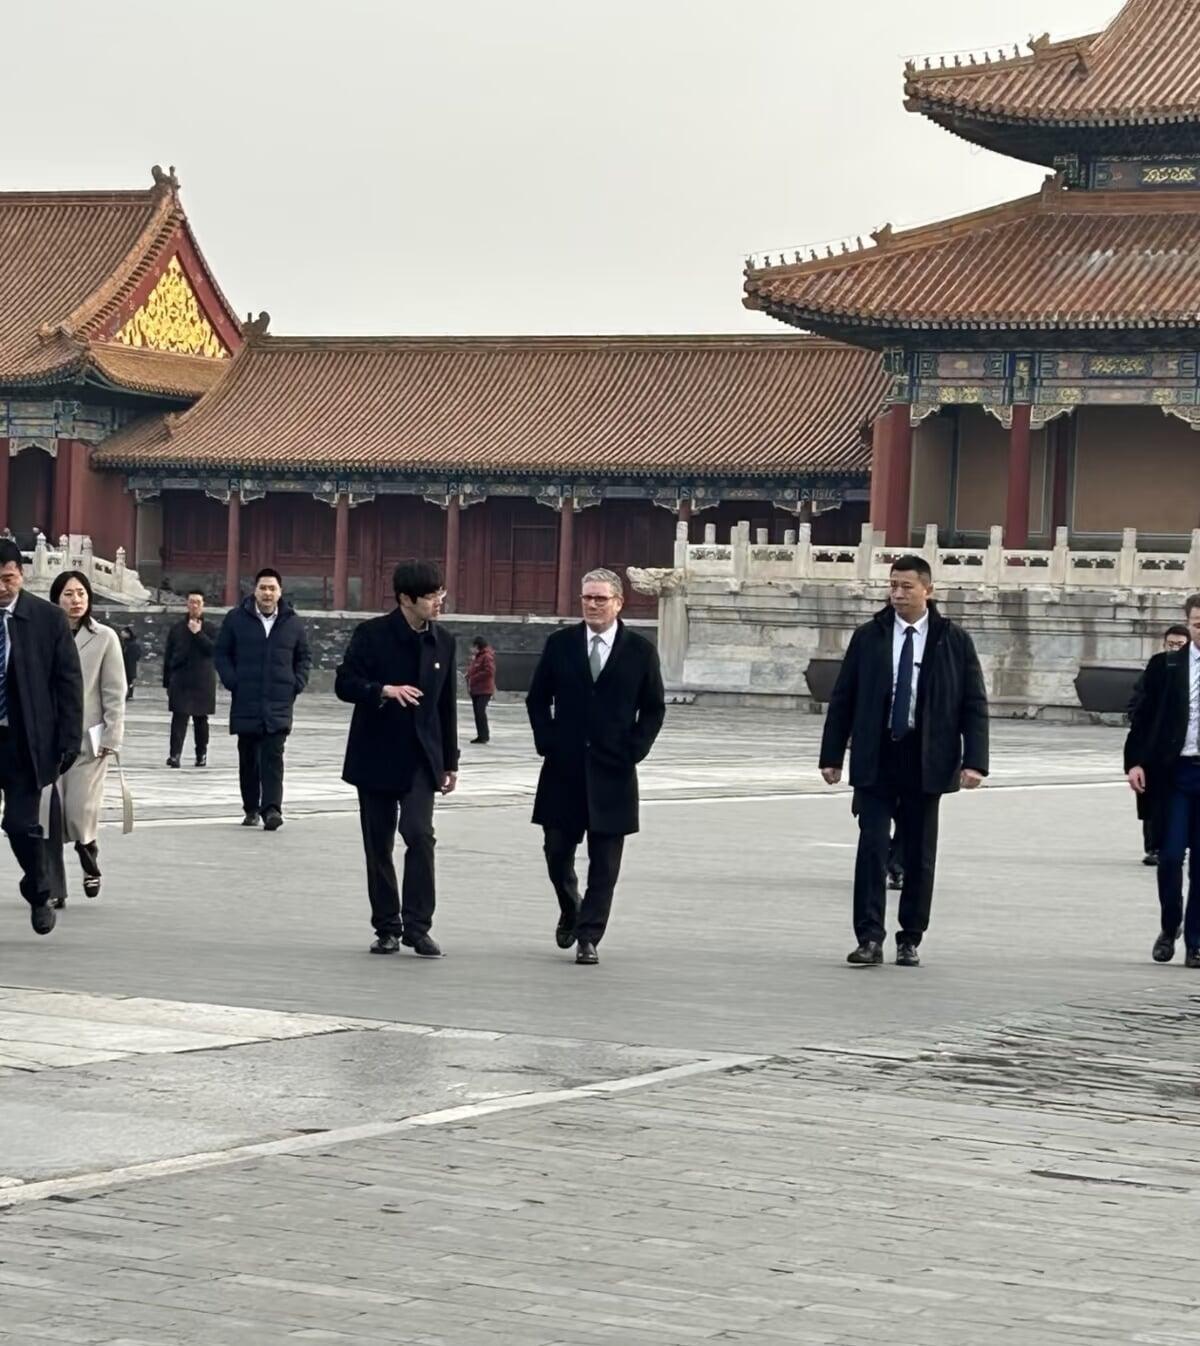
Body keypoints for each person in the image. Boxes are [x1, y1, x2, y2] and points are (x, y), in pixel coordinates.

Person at [819, 554, 989, 967]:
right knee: (872, 847)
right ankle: (869, 937)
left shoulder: (953, 640)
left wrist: (975, 762)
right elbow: (843, 698)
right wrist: (832, 755)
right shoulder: (869, 636)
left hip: (927, 756)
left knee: (918, 854)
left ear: (928, 590)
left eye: (906, 586)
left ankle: (910, 936)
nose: (897, 594)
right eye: (892, 585)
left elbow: (973, 703)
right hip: (877, 754)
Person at [526, 568, 665, 965]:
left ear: (619, 603)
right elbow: (537, 699)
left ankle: (589, 936)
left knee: (604, 865)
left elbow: (654, 708)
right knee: (556, 853)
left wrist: (634, 749)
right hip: (563, 769)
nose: (592, 604)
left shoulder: (640, 651)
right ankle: (571, 906)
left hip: (613, 771)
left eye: (600, 598)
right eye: (587, 597)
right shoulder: (560, 644)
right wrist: (548, 742)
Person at [336, 560, 458, 957]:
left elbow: (446, 706)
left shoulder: (444, 641)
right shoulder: (372, 635)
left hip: (422, 757)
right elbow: (345, 684)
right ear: (406, 599)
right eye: (431, 596)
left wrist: (450, 761)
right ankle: (387, 925)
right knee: (379, 843)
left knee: (420, 834)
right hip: (376, 753)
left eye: (441, 593)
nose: (440, 601)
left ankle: (418, 926)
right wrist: (384, 690)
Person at [0, 540, 82, 934]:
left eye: (7, 578)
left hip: (23, 743)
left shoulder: (48, 619)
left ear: (21, 574)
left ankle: (38, 888)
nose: (1, 587)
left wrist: (68, 741)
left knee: (20, 826)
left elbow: (68, 683)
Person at [1125, 596, 1200, 965]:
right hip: (1175, 774)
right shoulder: (1166, 666)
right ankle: (1171, 926)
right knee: (1170, 857)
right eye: (1198, 624)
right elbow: (1144, 717)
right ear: (1188, 625)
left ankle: (1197, 942)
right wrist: (1136, 762)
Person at [44, 572, 126, 907]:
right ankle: (53, 887)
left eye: (81, 593)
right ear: (55, 598)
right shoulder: (42, 635)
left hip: (88, 741)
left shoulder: (104, 637)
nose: (76, 600)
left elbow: (114, 690)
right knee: (46, 816)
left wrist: (112, 733)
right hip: (46, 740)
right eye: (68, 594)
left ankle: (88, 855)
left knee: (79, 811)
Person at [214, 568, 311, 831]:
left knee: (273, 757)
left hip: (279, 701)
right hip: (246, 700)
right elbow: (222, 653)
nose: (267, 593)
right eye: (263, 588)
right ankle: (251, 807)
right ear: (254, 590)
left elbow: (304, 658)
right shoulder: (236, 619)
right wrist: (233, 681)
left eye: (272, 588)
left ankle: (272, 810)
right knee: (248, 759)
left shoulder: (292, 622)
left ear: (280, 592)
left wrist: (296, 684)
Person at [1130, 624, 1191, 866]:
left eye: (1180, 645)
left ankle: (1178, 845)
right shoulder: (1157, 666)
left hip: (1183, 747)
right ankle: (1154, 847)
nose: (1175, 649)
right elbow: (1141, 700)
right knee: (1153, 798)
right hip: (1156, 744)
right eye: (1171, 644)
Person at [164, 590, 217, 769]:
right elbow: (169, 654)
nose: (194, 605)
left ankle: (201, 754)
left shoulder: (211, 628)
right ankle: (174, 755)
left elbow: (215, 651)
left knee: (201, 720)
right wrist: (167, 680)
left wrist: (198, 634)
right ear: (187, 604)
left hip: (203, 680)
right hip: (180, 679)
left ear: (203, 605)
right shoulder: (177, 628)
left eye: (198, 602)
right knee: (179, 718)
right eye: (191, 601)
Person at [466, 635, 496, 744]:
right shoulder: (478, 657)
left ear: (477, 646)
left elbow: (489, 671)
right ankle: (481, 735)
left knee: (480, 711)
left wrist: (474, 677)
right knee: (477, 713)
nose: (471, 649)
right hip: (476, 689)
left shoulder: (486, 656)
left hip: (484, 689)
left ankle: (484, 735)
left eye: (472, 647)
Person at [120, 625, 143, 700]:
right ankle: (127, 692)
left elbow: (137, 655)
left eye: (124, 632)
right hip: (126, 664)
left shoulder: (132, 644)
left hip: (129, 665)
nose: (122, 633)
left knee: (129, 680)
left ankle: (129, 693)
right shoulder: (125, 643)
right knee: (127, 680)